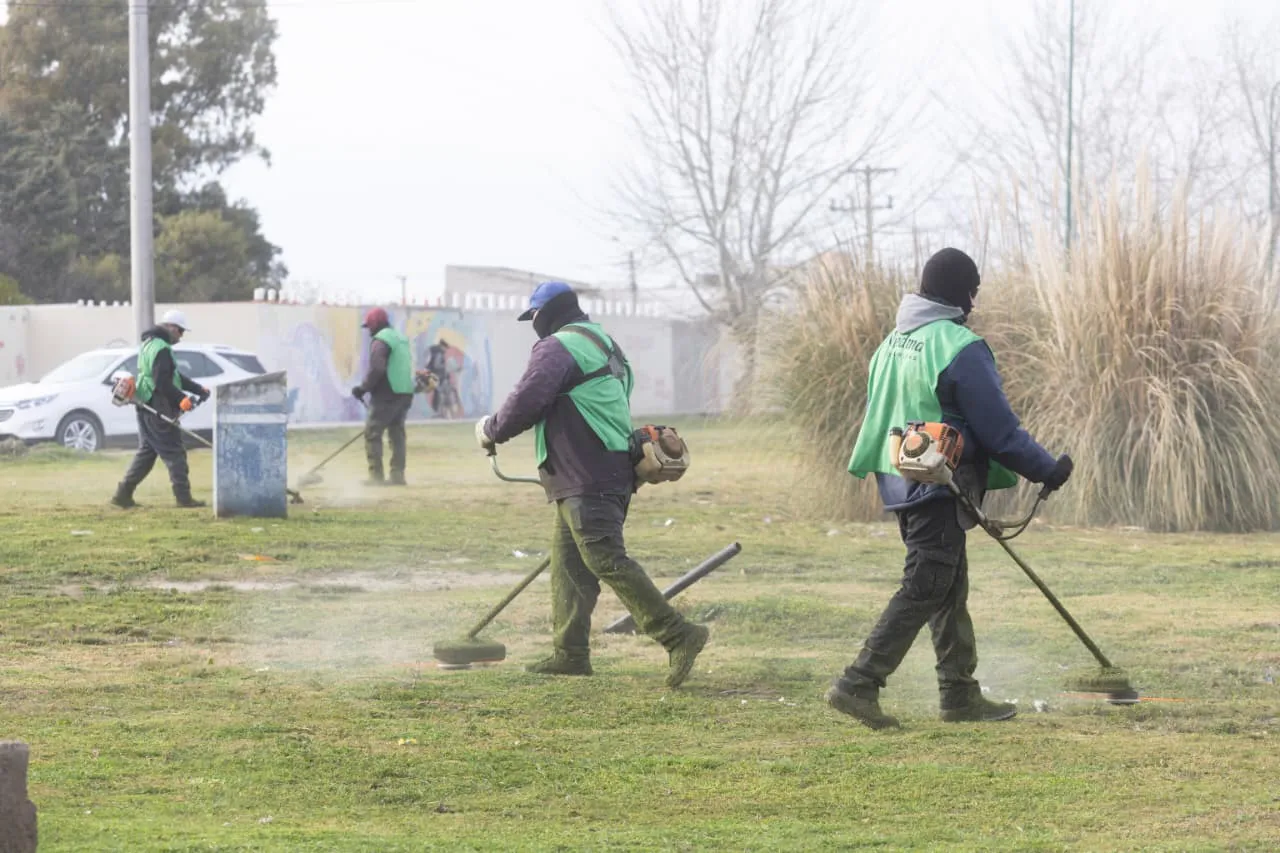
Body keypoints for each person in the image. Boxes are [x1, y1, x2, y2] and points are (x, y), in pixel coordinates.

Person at [828, 248, 1074, 729]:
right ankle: (859, 683)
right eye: (972, 292)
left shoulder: (893, 343)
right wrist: (1046, 469)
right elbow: (1000, 430)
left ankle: (958, 694)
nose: (974, 304)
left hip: (902, 483)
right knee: (926, 585)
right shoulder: (959, 347)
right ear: (962, 293)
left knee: (947, 586)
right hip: (939, 483)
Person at [475, 281, 709, 687]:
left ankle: (678, 634)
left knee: (605, 559)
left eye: (533, 318)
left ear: (544, 314)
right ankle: (570, 654)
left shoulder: (557, 346)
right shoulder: (604, 343)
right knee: (569, 569)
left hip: (588, 474)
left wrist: (492, 430)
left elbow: (528, 400)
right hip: (599, 471)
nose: (534, 326)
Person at [111, 309, 210, 509]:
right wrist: (182, 399)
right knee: (175, 452)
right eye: (180, 331)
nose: (181, 337)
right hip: (158, 404)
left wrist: (197, 389)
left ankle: (123, 494)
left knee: (147, 453)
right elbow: (162, 382)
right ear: (171, 327)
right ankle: (184, 498)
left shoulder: (149, 344)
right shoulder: (162, 348)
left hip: (145, 402)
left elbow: (174, 377)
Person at [352, 307, 414, 486]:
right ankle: (397, 475)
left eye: (369, 326)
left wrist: (363, 388)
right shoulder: (400, 338)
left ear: (375, 324)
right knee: (397, 434)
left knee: (372, 432)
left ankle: (376, 477)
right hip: (405, 393)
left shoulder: (381, 341)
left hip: (387, 393)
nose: (368, 331)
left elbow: (378, 368)